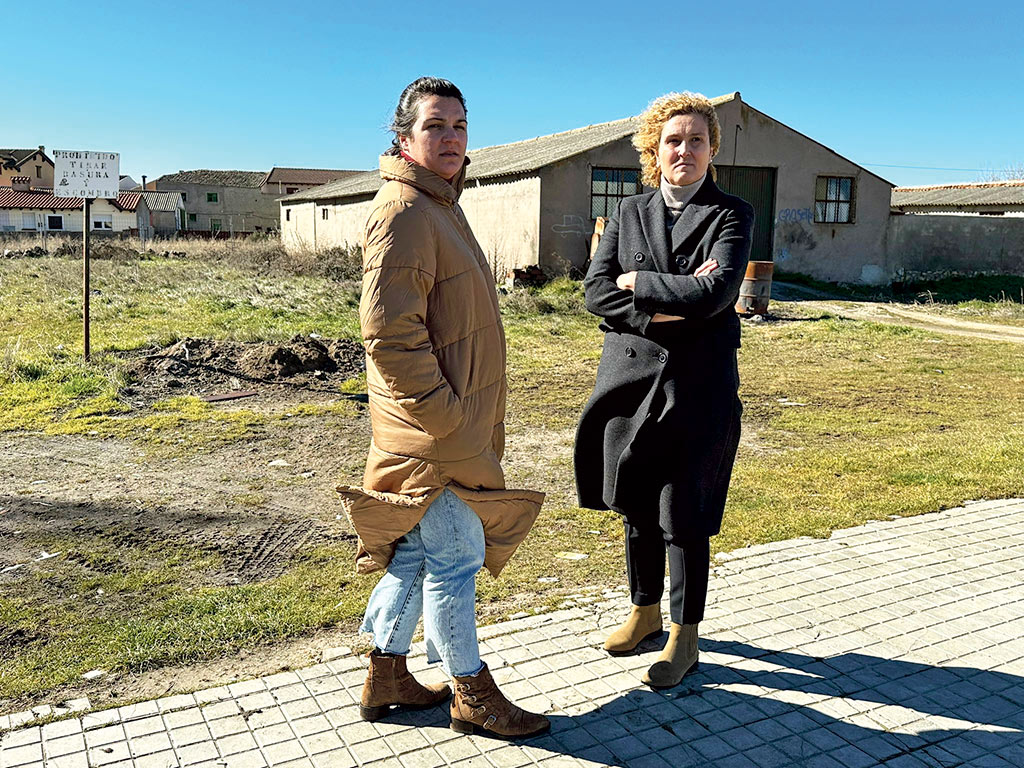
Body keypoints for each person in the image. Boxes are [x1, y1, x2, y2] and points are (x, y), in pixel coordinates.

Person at [337, 77, 549, 739]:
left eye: (459, 125)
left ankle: (386, 674)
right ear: (403, 137)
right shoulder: (404, 210)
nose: (452, 137)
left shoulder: (438, 204)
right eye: (435, 125)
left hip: (441, 429)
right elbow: (389, 337)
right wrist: (450, 422)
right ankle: (471, 694)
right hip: (435, 437)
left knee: (416, 557)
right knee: (456, 558)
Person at [574, 91, 754, 689]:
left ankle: (685, 634)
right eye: (673, 140)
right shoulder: (628, 211)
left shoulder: (732, 214)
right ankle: (644, 610)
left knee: (684, 511)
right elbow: (595, 292)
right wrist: (665, 305)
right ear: (653, 148)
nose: (684, 150)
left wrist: (638, 281)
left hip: (696, 387)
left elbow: (717, 294)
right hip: (630, 383)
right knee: (634, 499)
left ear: (712, 149)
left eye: (697, 140)